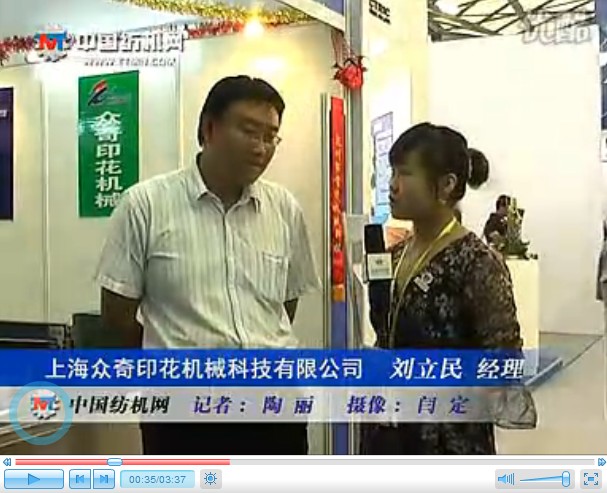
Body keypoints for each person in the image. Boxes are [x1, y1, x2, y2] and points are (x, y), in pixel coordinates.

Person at [96, 75, 320, 455]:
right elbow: (117, 313)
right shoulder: (145, 205)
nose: (261, 148)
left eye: (271, 136)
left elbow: (284, 306)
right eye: (249, 131)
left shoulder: (284, 209)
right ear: (209, 129)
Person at [364, 122, 529, 454]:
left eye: (405, 173)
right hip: (389, 433)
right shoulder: (396, 254)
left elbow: (503, 366)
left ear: (446, 185)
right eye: (392, 172)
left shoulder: (477, 263)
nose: (393, 185)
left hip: (448, 444)